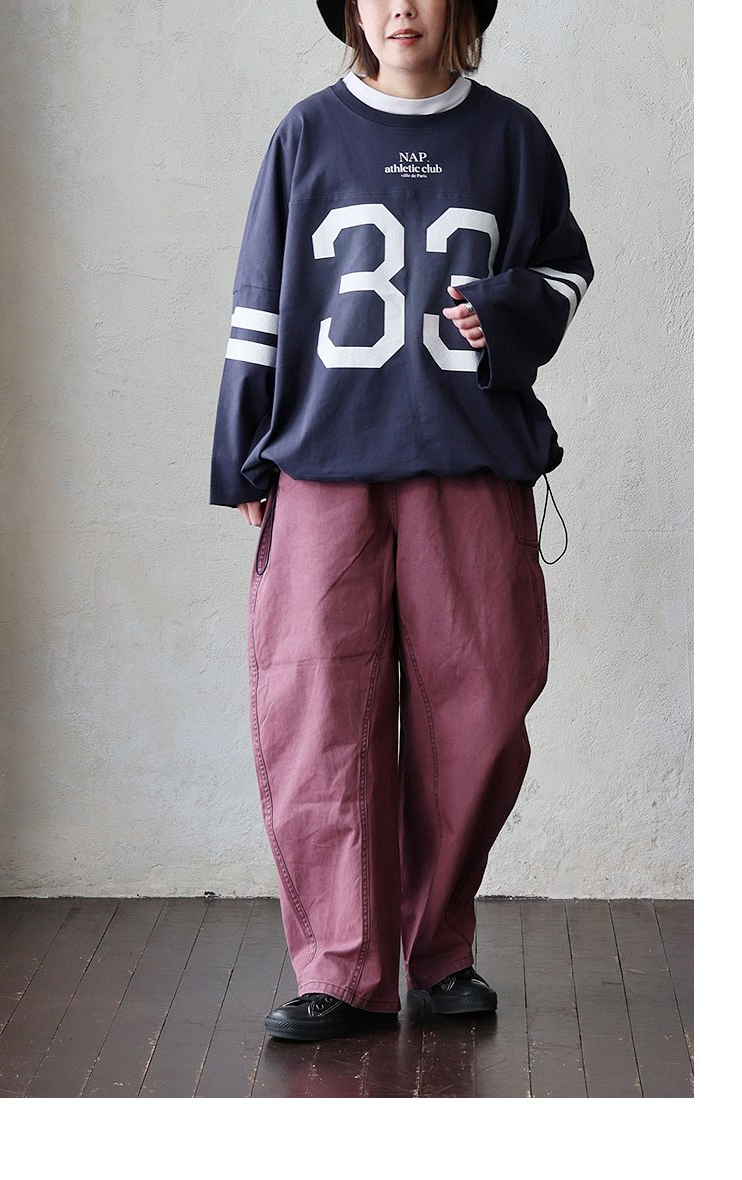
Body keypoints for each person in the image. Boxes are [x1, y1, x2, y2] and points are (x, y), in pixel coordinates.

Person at [208, 0, 594, 1042]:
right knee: (317, 709)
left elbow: (563, 270)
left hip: (469, 456)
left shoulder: (510, 136)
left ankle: (439, 948)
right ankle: (342, 967)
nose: (401, 8)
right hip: (324, 459)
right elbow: (260, 301)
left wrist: (503, 311)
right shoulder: (306, 133)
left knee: (482, 702)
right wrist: (241, 449)